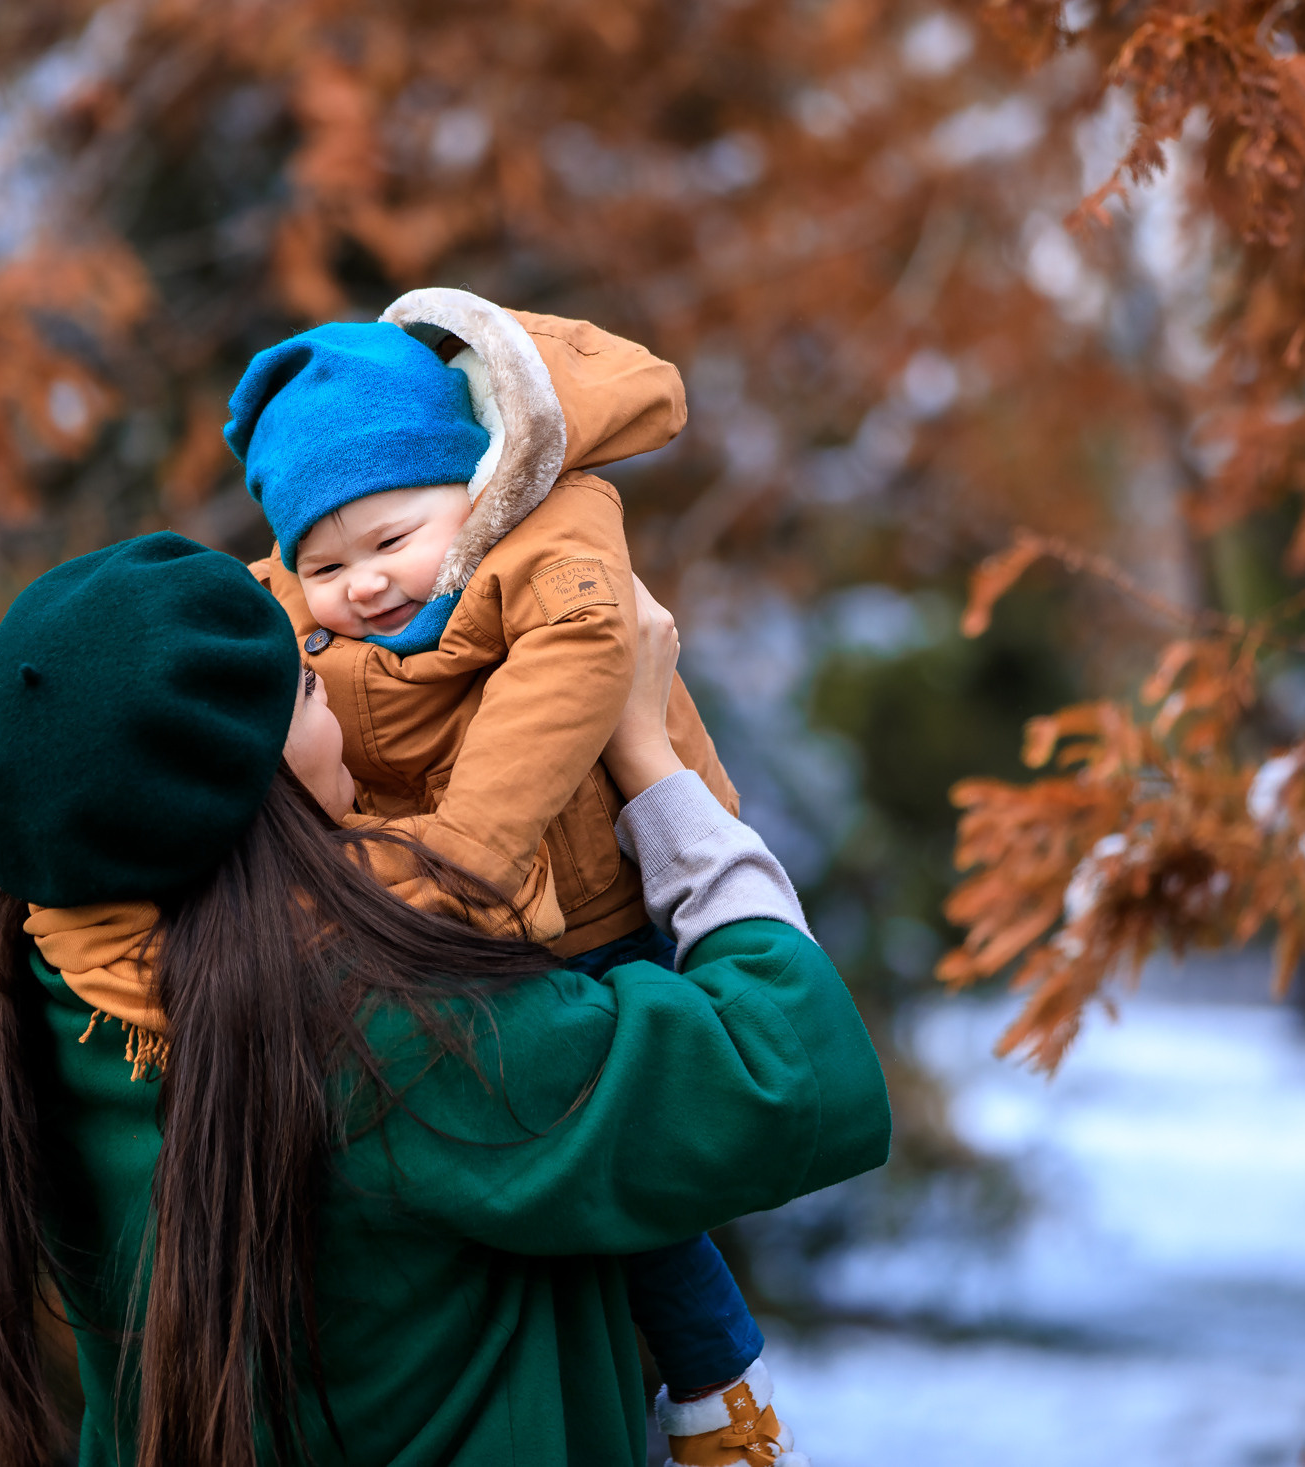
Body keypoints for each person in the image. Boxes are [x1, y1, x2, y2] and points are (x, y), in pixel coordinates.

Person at [0, 531, 891, 1467]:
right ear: (249, 791)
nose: (341, 711)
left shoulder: (52, 990)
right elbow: (786, 1061)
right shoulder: (401, 1034)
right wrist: (653, 762)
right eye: (311, 691)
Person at [224, 291, 779, 1450]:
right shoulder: (289, 612)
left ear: (471, 491)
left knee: (629, 1170)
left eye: (387, 542)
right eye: (323, 563)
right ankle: (595, 1395)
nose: (363, 585)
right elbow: (235, 655)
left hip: (605, 895)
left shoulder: (548, 533)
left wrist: (463, 854)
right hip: (460, 923)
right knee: (510, 1165)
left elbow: (573, 669)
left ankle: (723, 1400)